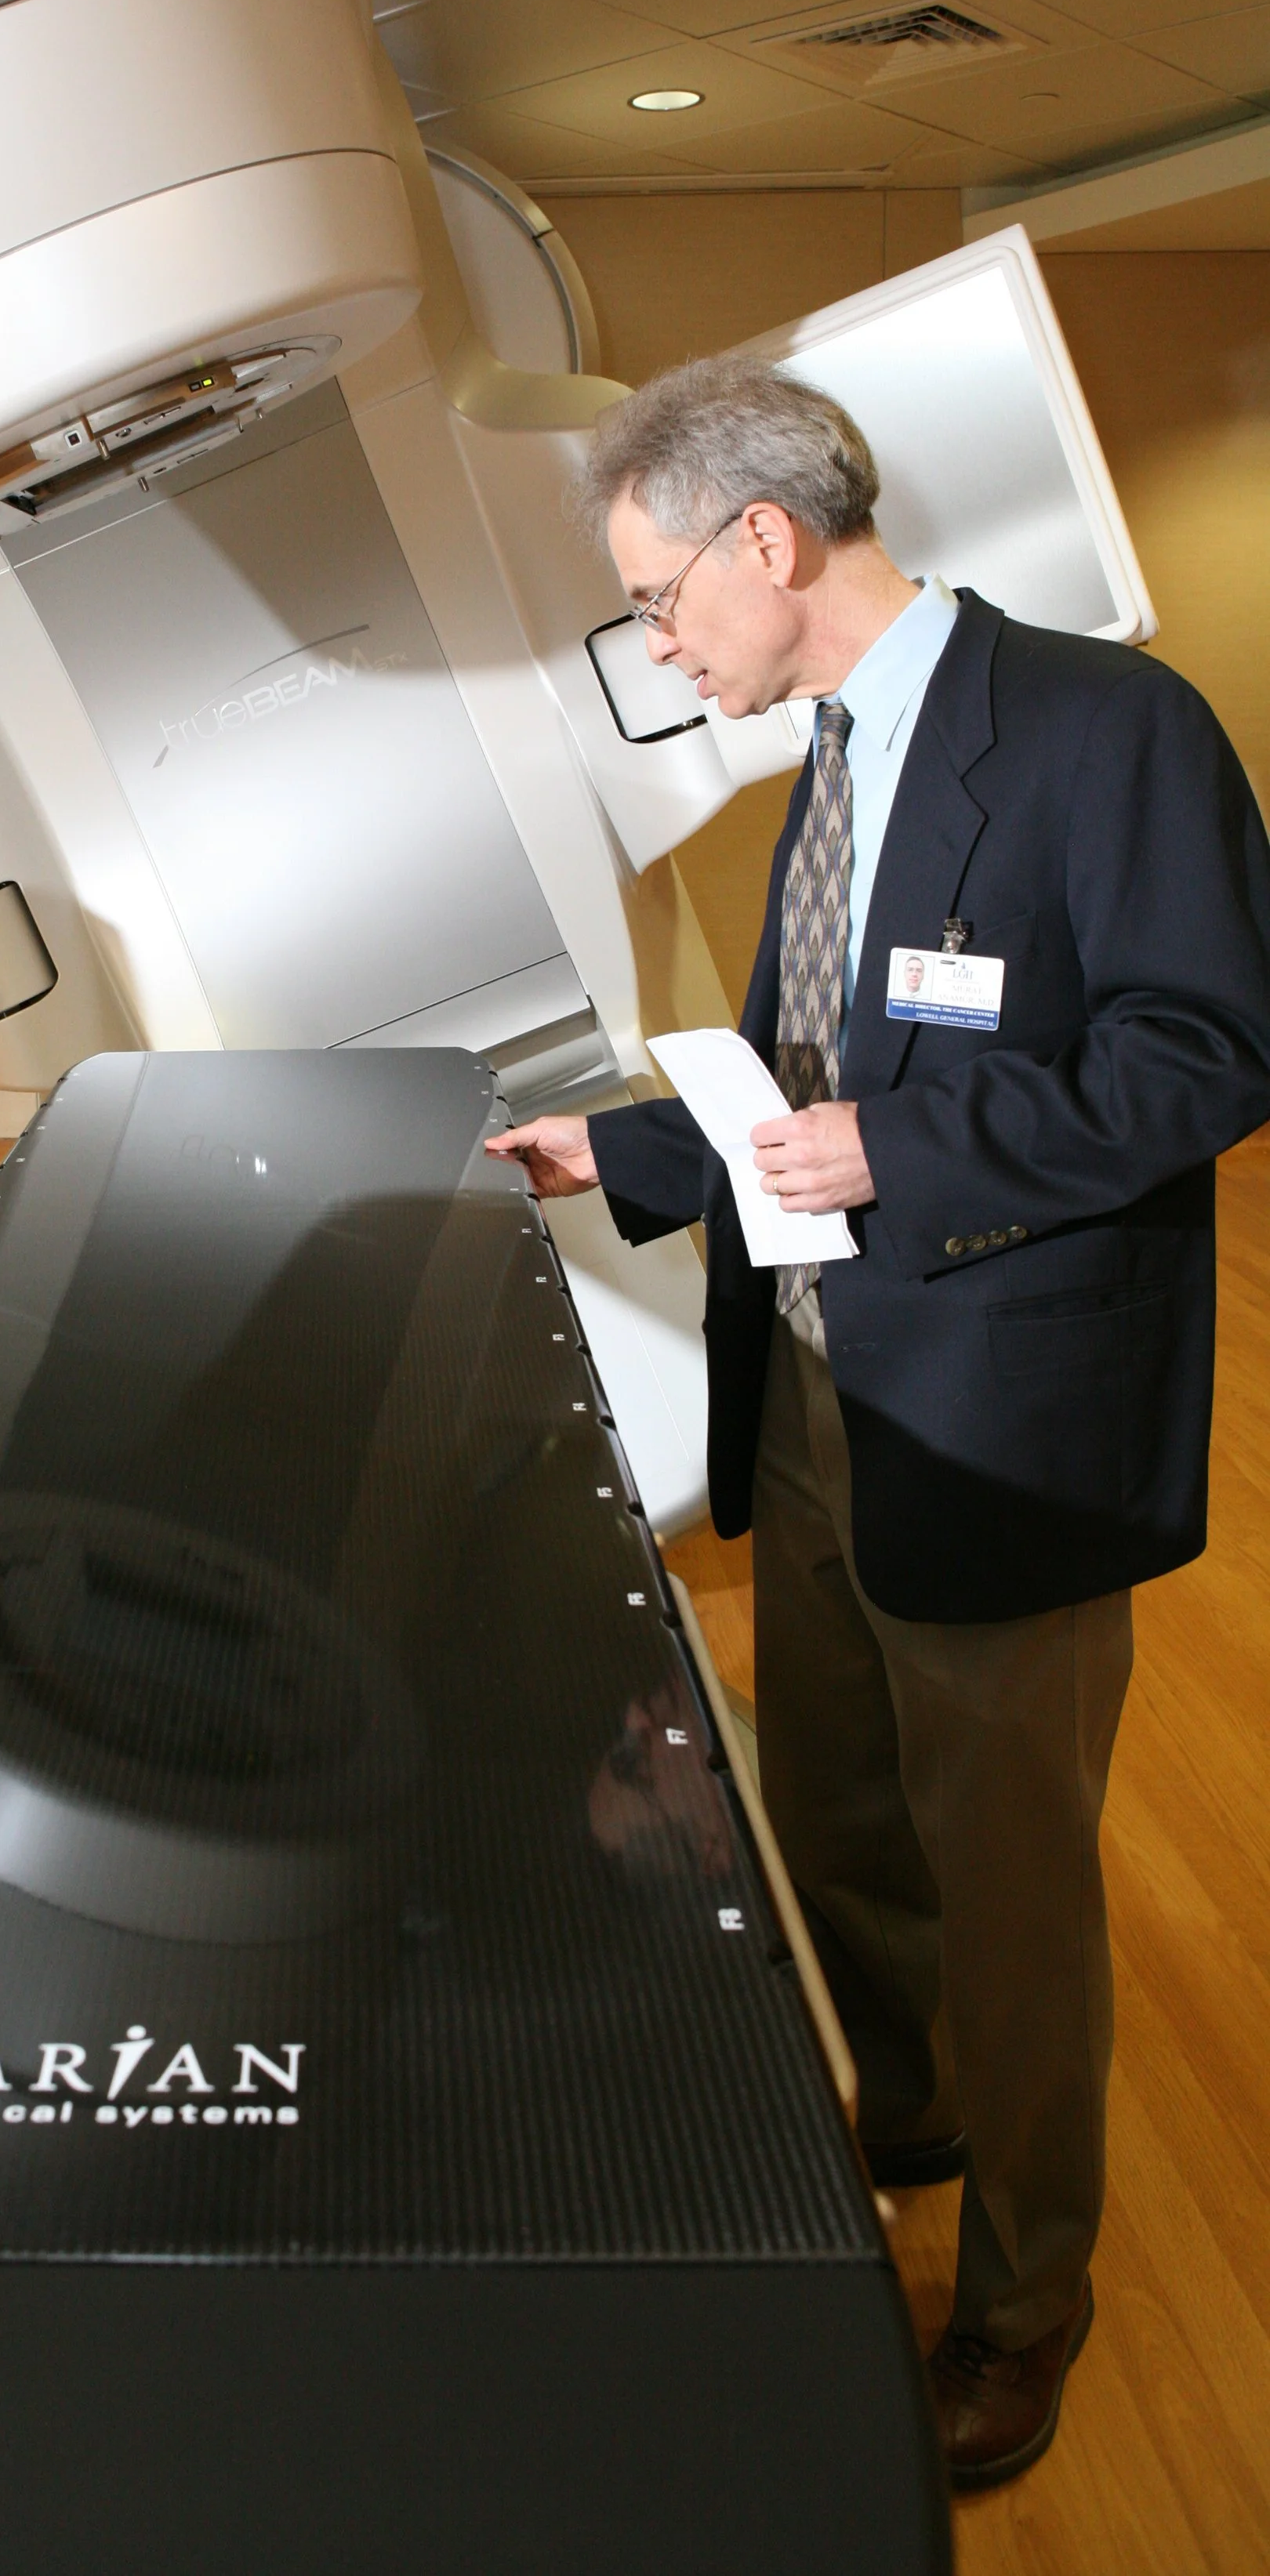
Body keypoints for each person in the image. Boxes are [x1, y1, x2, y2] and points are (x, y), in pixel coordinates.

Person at [489, 355, 1270, 2491]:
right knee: (837, 1809)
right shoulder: (827, 762)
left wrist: (897, 1152)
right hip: (822, 1396)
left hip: (1001, 1416)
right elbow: (795, 1071)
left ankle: (1024, 2301)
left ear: (765, 542)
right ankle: (900, 2116)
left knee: (1009, 1885)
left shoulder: (1109, 732)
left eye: (657, 599)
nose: (658, 644)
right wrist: (623, 1152)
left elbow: (1200, 1057)